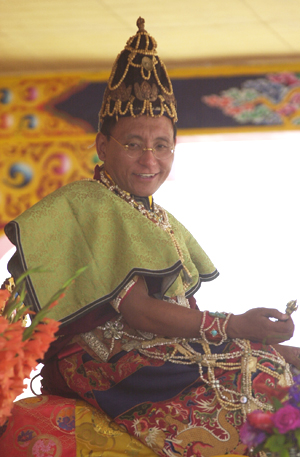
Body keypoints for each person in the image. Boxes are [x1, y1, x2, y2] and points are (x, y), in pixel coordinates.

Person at [1, 17, 300, 457]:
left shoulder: (158, 216)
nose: (149, 158)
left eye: (162, 146)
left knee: (282, 360)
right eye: (133, 143)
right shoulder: (88, 201)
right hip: (108, 355)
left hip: (158, 344)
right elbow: (138, 310)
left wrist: (261, 339)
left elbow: (185, 309)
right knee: (254, 382)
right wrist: (233, 327)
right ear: (103, 146)